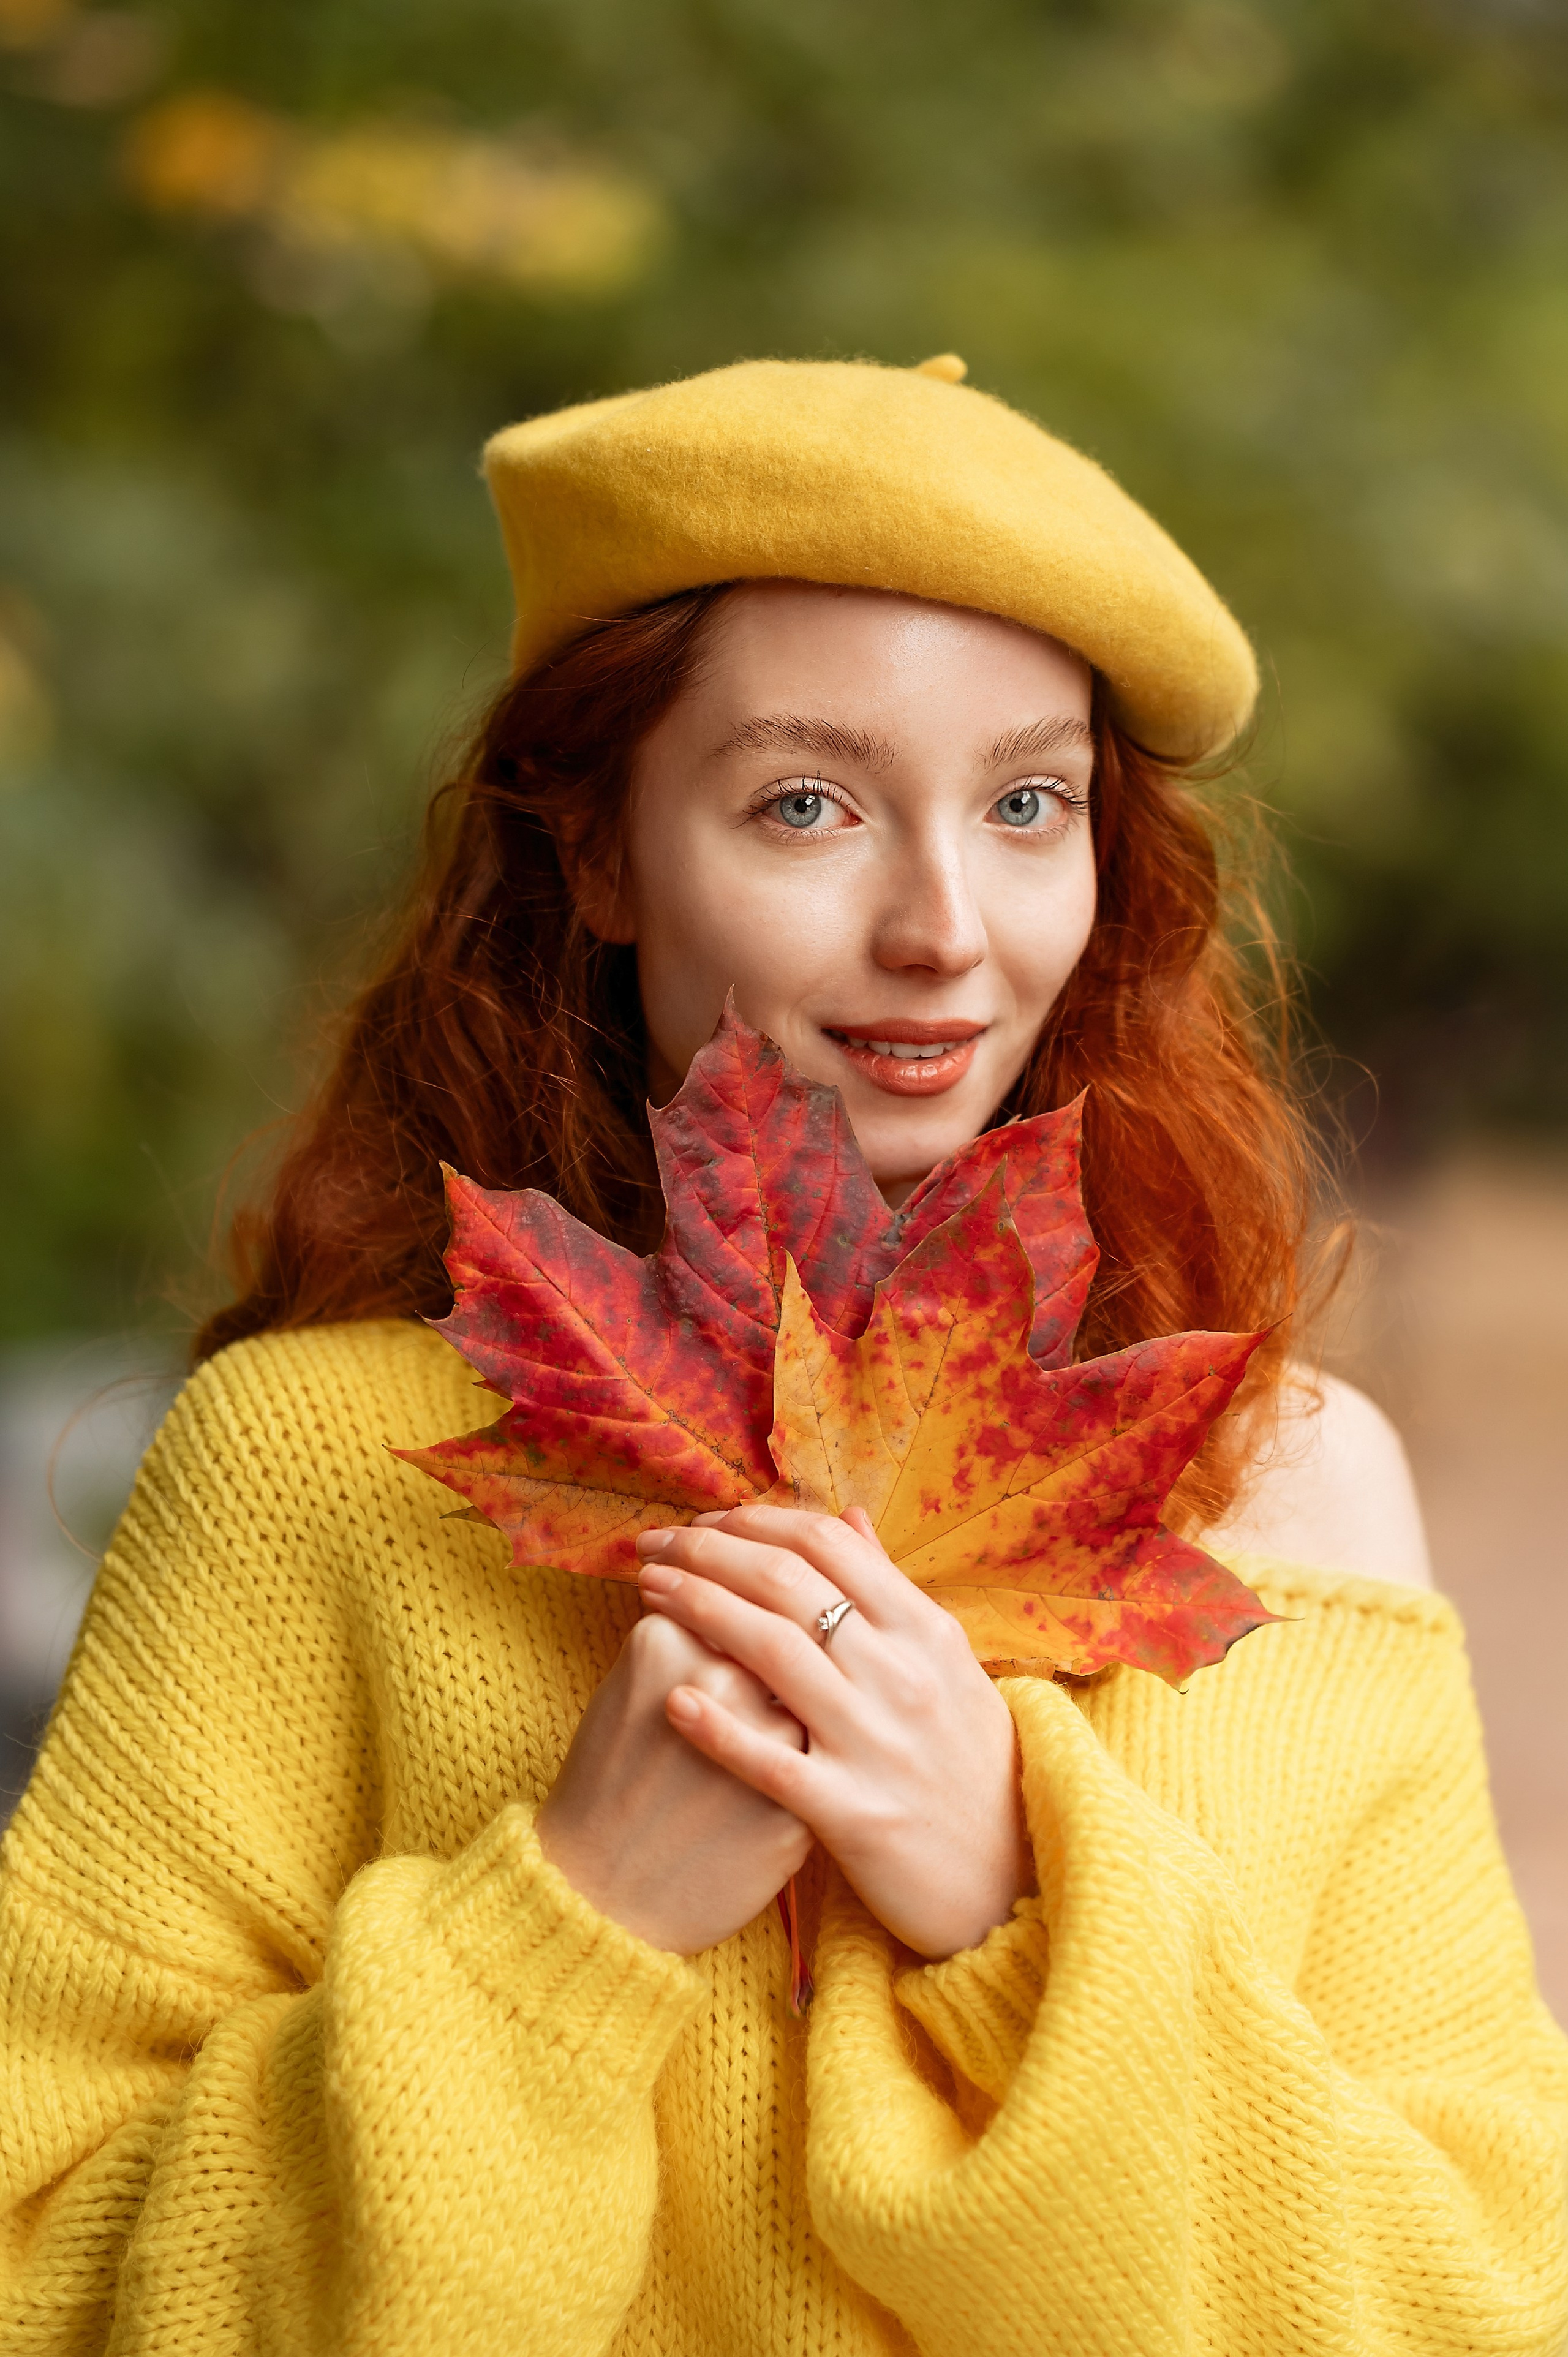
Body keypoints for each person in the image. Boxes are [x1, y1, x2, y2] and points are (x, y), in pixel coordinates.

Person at [2, 355, 1563, 2356]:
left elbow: (1480, 2304)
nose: (944, 926)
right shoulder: (309, 1463)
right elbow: (47, 2276)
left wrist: (1015, 1902)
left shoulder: (1288, 1480)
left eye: (1027, 805)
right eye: (806, 804)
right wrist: (571, 1921)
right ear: (598, 852)